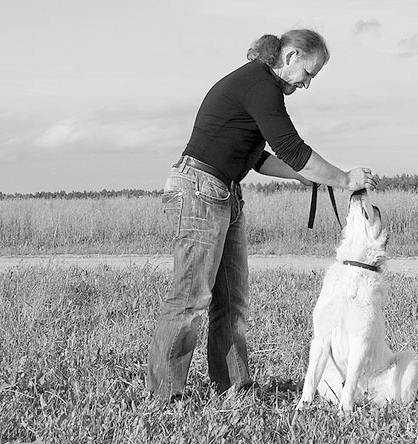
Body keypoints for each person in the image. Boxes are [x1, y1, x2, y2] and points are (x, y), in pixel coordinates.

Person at [146, 29, 377, 402]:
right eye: (309, 73)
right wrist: (345, 179)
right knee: (190, 301)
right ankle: (162, 398)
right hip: (202, 189)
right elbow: (291, 148)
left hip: (224, 190)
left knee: (232, 301)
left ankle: (236, 389)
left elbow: (256, 158)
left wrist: (305, 176)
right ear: (292, 57)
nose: (308, 84)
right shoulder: (260, 85)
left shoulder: (256, 85)